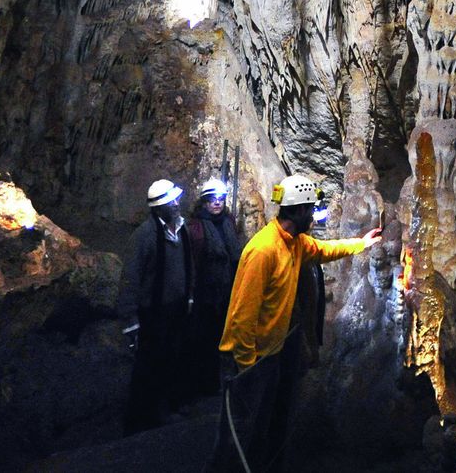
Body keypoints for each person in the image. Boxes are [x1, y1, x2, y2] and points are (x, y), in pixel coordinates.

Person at [209, 174, 382, 472]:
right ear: (299, 210)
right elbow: (241, 317)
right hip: (251, 359)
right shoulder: (263, 251)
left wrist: (360, 244)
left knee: (271, 421)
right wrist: (247, 367)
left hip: (274, 351)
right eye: (312, 209)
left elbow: (325, 251)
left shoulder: (295, 243)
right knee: (244, 432)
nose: (314, 215)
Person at [115, 178, 196, 433]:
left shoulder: (180, 229)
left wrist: (190, 295)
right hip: (153, 313)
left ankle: (171, 404)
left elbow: (188, 264)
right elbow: (131, 277)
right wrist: (130, 320)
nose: (177, 203)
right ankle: (146, 417)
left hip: (176, 308)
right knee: (151, 365)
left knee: (175, 358)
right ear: (159, 207)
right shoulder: (145, 236)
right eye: (172, 201)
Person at [186, 178, 242, 397]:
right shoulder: (196, 227)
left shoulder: (228, 222)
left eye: (220, 199)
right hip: (205, 292)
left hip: (227, 288)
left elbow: (234, 254)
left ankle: (225, 380)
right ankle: (205, 385)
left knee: (225, 336)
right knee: (205, 340)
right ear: (204, 203)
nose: (217, 203)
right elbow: (192, 261)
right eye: (212, 200)